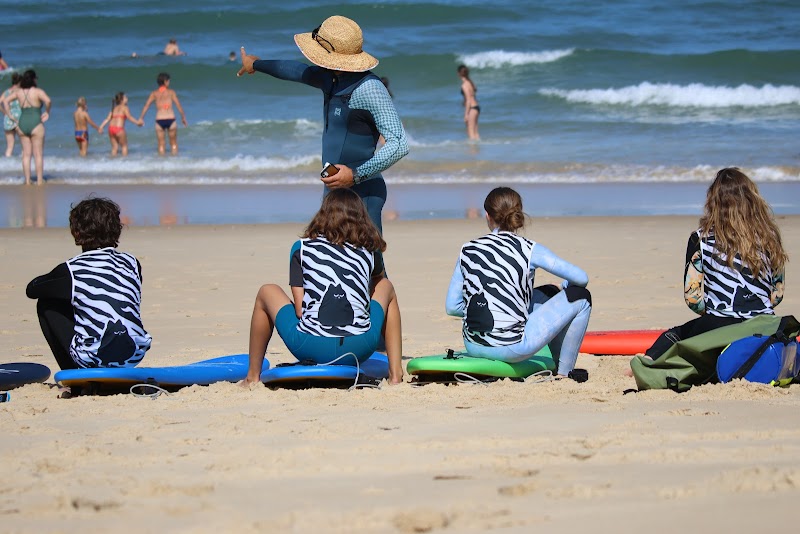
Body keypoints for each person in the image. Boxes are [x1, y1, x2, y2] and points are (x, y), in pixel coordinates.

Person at [237, 15, 409, 236]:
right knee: (329, 262)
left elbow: (399, 143)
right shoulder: (330, 78)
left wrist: (355, 175)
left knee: (373, 269)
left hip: (362, 195)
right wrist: (255, 64)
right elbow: (295, 70)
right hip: (334, 192)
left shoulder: (370, 88)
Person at [242, 188, 403, 386]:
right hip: (361, 347)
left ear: (323, 214)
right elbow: (375, 284)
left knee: (267, 290)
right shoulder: (370, 248)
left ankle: (252, 376)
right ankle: (396, 376)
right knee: (385, 285)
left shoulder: (301, 247)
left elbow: (301, 311)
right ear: (362, 217)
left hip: (309, 346)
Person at [445, 187, 592, 377]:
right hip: (512, 348)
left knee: (549, 292)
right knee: (581, 297)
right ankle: (564, 373)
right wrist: (564, 286)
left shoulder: (468, 249)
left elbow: (451, 306)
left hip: (473, 345)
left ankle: (557, 366)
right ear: (518, 214)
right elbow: (582, 278)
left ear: (488, 216)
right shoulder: (530, 249)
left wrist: (490, 309)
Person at [643, 168, 787, 359]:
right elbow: (777, 294)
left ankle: (645, 364)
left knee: (674, 335)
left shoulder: (700, 238)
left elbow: (693, 298)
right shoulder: (770, 237)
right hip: (765, 323)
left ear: (713, 202)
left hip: (719, 322)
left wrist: (714, 313)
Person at [25, 197, 151, 370]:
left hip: (94, 357)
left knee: (48, 303)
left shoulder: (72, 269)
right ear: (116, 230)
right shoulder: (132, 262)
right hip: (134, 354)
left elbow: (32, 289)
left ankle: (74, 376)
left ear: (76, 232)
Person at [1, 69, 51, 185]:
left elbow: (5, 101)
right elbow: (48, 101)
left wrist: (10, 116)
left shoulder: (19, 92)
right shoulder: (38, 92)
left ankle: (27, 181)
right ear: (33, 79)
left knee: (26, 155)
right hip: (36, 123)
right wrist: (47, 112)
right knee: (38, 154)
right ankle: (39, 180)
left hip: (22, 123)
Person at [138, 72, 188, 155]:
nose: (169, 82)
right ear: (165, 81)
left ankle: (162, 164)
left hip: (159, 120)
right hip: (171, 119)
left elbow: (146, 106)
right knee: (174, 144)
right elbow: (178, 105)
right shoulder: (171, 92)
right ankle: (174, 163)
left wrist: (141, 118)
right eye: (168, 81)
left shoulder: (154, 93)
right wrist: (183, 117)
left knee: (161, 144)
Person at [98, 92, 143, 157]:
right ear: (122, 100)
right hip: (119, 129)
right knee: (124, 146)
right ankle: (124, 163)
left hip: (110, 129)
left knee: (114, 147)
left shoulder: (113, 108)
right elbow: (129, 117)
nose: (127, 99)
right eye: (126, 98)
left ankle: (113, 162)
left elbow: (107, 119)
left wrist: (101, 127)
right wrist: (137, 123)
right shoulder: (125, 107)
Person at [458, 64, 480, 141]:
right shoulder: (470, 82)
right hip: (476, 108)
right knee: (475, 132)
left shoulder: (464, 85)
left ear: (459, 74)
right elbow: (471, 95)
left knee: (470, 132)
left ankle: (473, 151)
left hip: (472, 108)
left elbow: (468, 100)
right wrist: (464, 101)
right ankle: (477, 151)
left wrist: (466, 114)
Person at [2, 72, 21, 157]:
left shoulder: (6, 92)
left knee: (9, 147)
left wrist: (5, 112)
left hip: (8, 119)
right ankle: (24, 165)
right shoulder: (21, 92)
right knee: (24, 145)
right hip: (19, 119)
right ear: (20, 82)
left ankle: (6, 165)